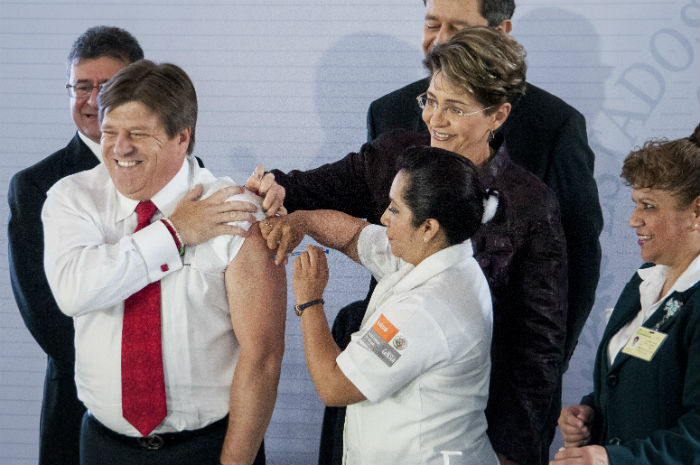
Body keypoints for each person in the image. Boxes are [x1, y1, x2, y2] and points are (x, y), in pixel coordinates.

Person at [251, 27, 567, 465]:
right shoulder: (399, 161)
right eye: (430, 100)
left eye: (454, 108)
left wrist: (309, 302)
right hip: (383, 399)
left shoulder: (530, 205)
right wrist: (270, 198)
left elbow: (539, 346)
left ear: (497, 116)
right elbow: (349, 229)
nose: (434, 119)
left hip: (456, 420)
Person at [41, 59, 286, 465]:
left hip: (209, 448)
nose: (120, 148)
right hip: (103, 447)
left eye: (138, 134)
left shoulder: (235, 210)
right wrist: (174, 233)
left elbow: (263, 358)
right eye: (110, 133)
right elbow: (72, 291)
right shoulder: (72, 199)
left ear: (182, 138)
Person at [367, 0, 602, 374]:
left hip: (501, 371)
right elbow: (375, 230)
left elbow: (579, 261)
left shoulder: (555, 126)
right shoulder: (389, 112)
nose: (440, 42)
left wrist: (544, 372)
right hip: (391, 358)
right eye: (432, 25)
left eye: (457, 29)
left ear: (501, 32)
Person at [265, 146, 499, 464]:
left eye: (395, 209)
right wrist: (302, 221)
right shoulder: (430, 252)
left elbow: (335, 386)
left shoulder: (426, 309)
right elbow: (353, 236)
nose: (383, 217)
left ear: (429, 228)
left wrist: (310, 301)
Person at [7, 26, 145, 465]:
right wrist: (126, 369)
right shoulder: (34, 186)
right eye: (82, 87)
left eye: (107, 87)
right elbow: (45, 312)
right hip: (80, 399)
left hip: (185, 409)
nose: (92, 100)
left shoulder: (185, 174)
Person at [554, 126, 700, 465]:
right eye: (636, 204)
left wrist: (612, 459)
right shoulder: (644, 282)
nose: (634, 220)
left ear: (696, 211)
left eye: (648, 206)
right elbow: (641, 382)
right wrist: (592, 412)